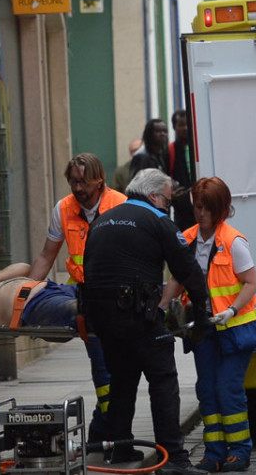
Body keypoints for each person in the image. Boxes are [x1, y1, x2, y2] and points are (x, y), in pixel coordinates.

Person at [81, 168, 212, 475]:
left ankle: (121, 447)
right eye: (166, 199)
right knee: (163, 379)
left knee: (122, 380)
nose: (167, 205)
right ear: (154, 196)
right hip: (138, 313)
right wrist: (202, 317)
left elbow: (89, 270)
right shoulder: (157, 221)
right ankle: (175, 459)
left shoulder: (102, 221)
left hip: (103, 319)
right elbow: (189, 270)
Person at [159, 177, 256, 473]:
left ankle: (240, 451)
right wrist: (162, 308)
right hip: (203, 328)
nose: (200, 212)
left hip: (235, 328)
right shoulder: (187, 238)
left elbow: (252, 283)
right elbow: (178, 278)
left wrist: (230, 310)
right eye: (197, 206)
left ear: (220, 209)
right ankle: (213, 453)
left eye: (206, 208)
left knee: (228, 388)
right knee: (207, 389)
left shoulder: (233, 241)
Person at [28, 152, 126, 443]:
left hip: (117, 297)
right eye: (73, 181)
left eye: (83, 182)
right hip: (86, 299)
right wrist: (27, 292)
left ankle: (101, 430)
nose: (78, 188)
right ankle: (115, 433)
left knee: (117, 367)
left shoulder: (120, 205)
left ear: (100, 181)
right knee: (103, 366)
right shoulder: (64, 209)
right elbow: (47, 255)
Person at [169, 109, 196, 231]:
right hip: (181, 209)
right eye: (181, 125)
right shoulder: (170, 150)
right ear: (174, 127)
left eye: (187, 124)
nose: (185, 128)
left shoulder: (198, 148)